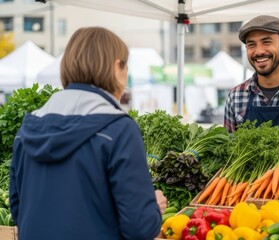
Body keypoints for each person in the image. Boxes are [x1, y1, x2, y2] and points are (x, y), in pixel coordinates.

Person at [9, 27, 166, 240]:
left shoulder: (26, 131)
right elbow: (140, 228)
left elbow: (19, 212)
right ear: (116, 67)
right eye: (126, 65)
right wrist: (153, 209)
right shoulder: (119, 129)